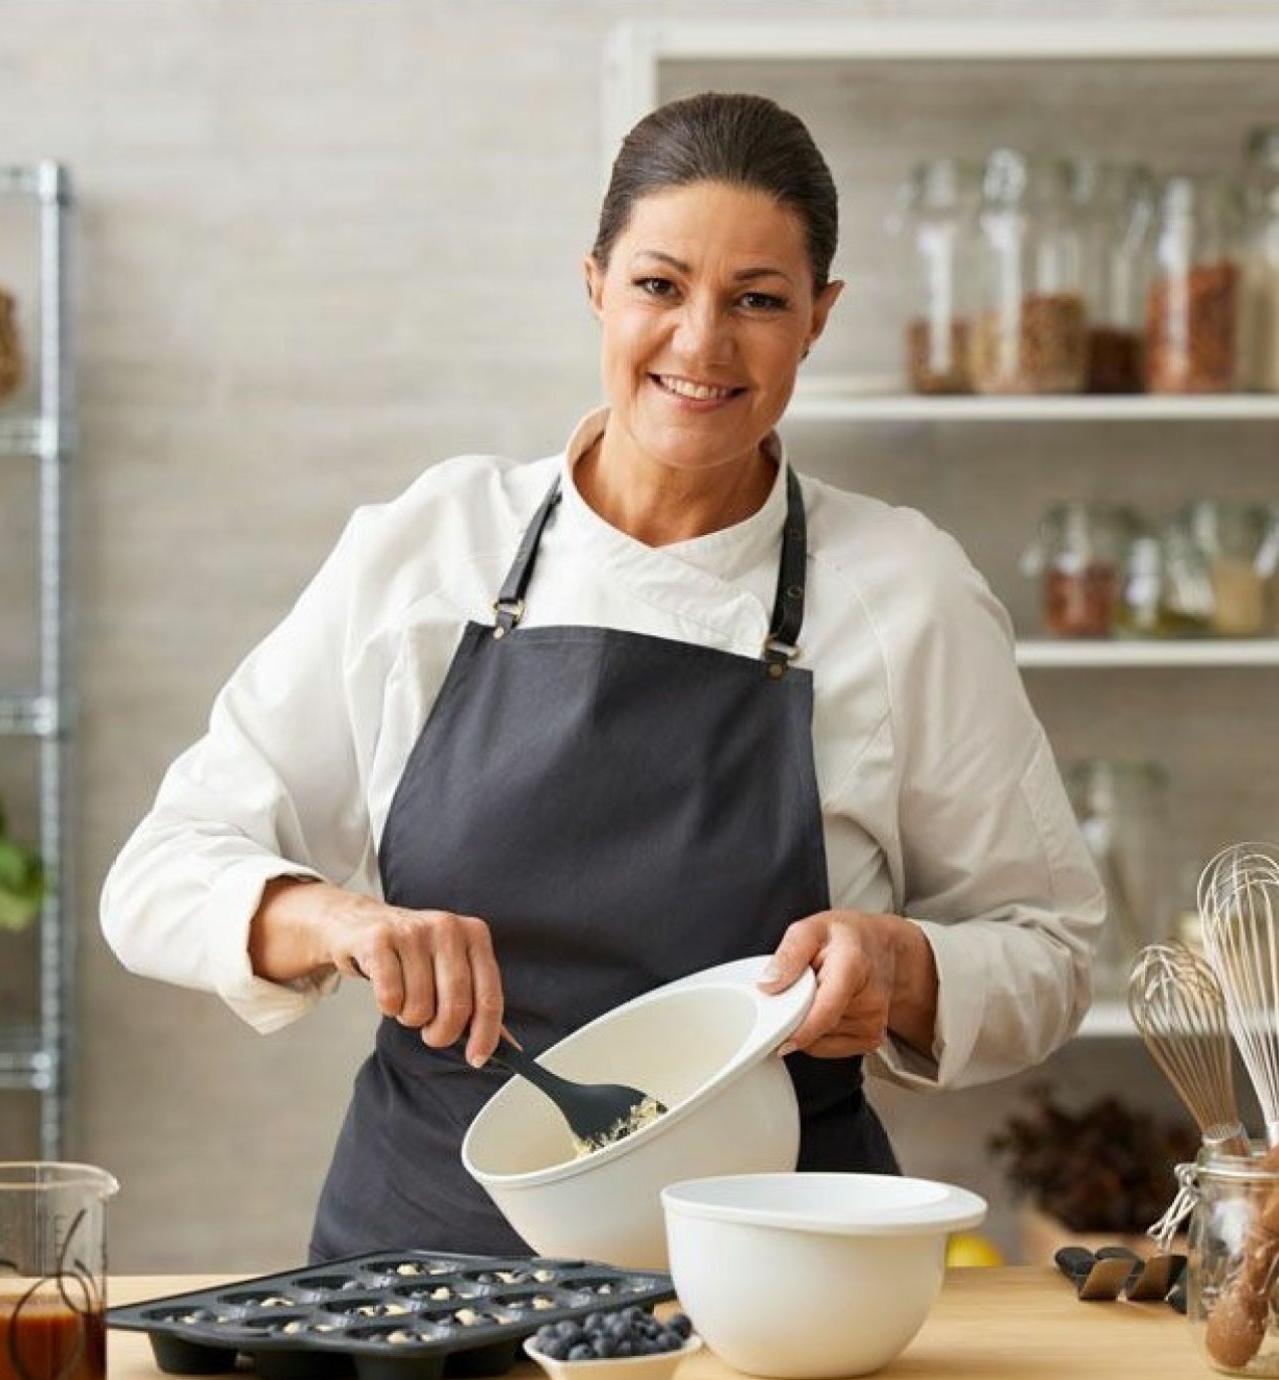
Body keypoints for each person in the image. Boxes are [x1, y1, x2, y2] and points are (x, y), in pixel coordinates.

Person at [101, 91, 1105, 1263]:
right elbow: (158, 877)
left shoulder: (904, 594)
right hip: (430, 1272)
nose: (700, 345)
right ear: (593, 285)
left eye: (758, 302)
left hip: (774, 1276)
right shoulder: (430, 548)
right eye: (658, 286)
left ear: (819, 319)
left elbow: (1048, 948)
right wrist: (336, 922)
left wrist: (912, 967)